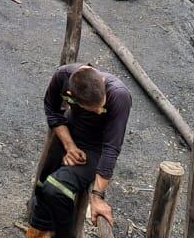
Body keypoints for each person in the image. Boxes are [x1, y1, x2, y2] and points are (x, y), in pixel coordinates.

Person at [26, 63, 132, 238]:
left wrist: (97, 196)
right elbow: (52, 111)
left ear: (103, 81)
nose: (99, 111)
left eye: (102, 106)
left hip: (96, 148)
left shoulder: (119, 95)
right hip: (69, 133)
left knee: (56, 189)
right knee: (43, 185)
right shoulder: (62, 77)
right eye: (93, 108)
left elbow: (112, 147)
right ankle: (39, 230)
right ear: (71, 95)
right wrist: (70, 146)